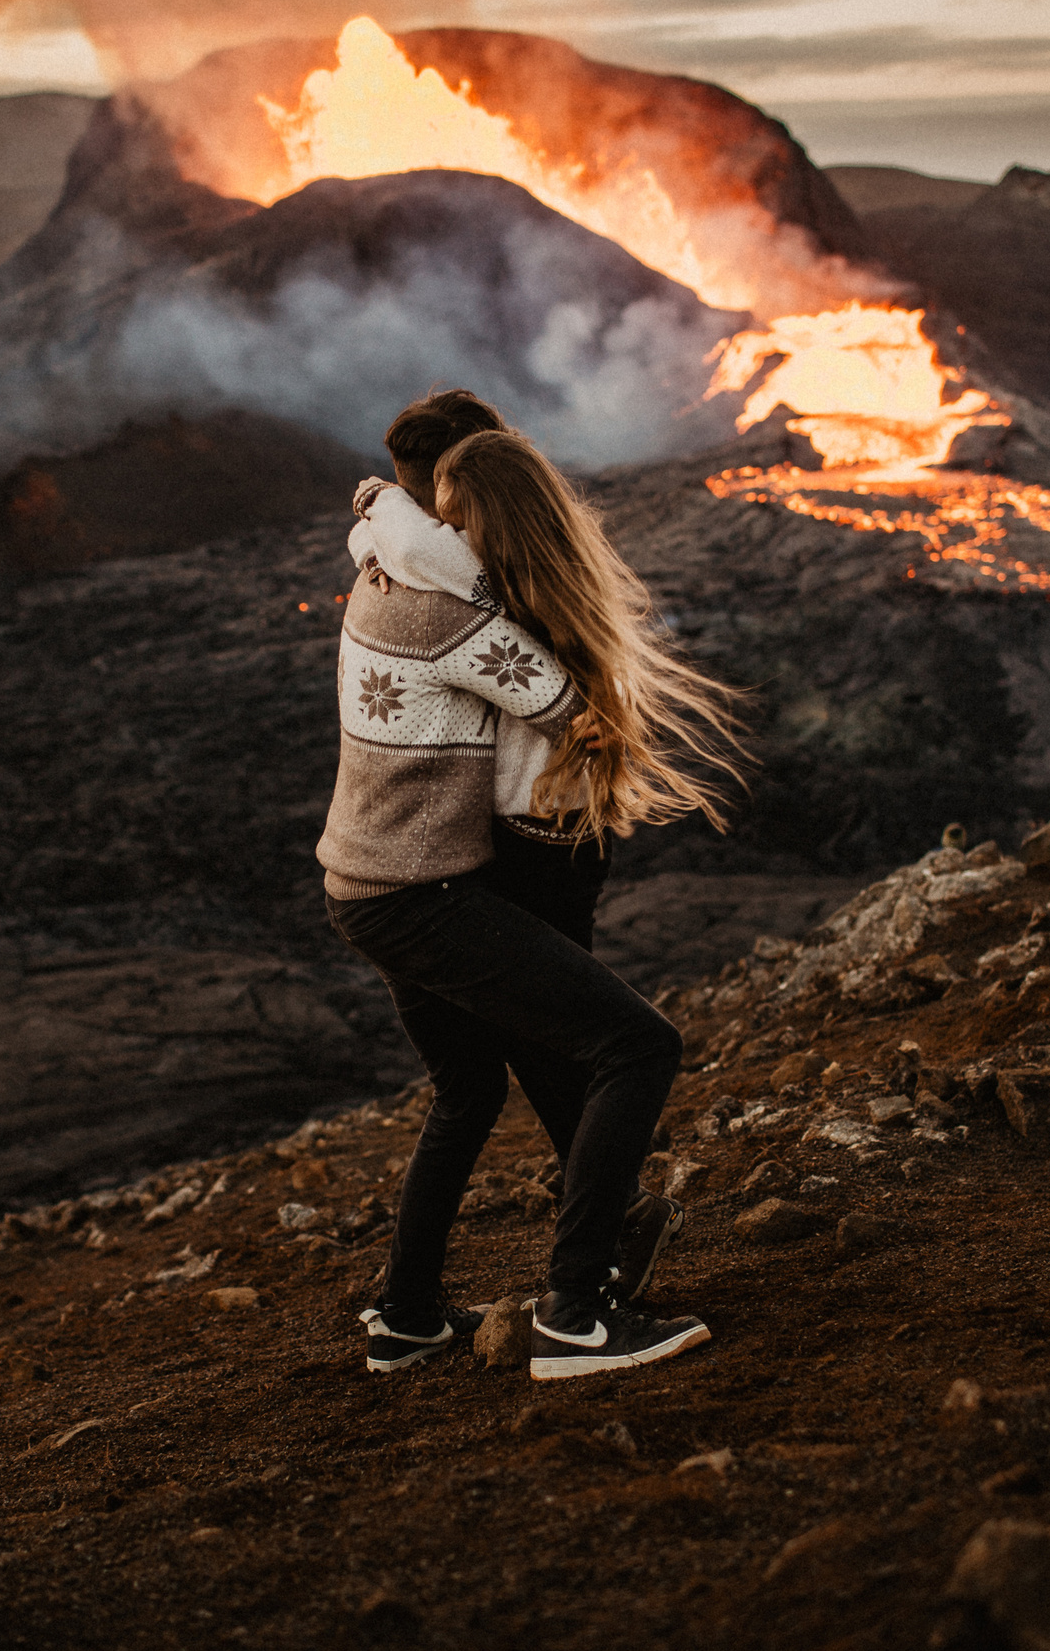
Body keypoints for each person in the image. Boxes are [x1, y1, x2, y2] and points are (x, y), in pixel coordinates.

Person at [319, 400, 747, 1381]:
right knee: (637, 1045)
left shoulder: (380, 566)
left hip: (358, 881)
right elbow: (573, 710)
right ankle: (577, 1317)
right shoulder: (459, 620)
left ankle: (407, 1316)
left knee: (467, 1091)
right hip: (420, 894)